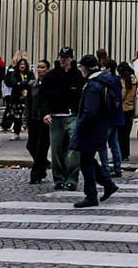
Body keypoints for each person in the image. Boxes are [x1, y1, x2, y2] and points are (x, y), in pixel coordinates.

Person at [70, 54, 119, 208]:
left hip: (90, 128)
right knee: (88, 159)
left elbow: (90, 111)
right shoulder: (103, 81)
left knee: (85, 161)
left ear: (86, 68)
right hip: (100, 126)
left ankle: (91, 194)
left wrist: (80, 126)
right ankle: (107, 184)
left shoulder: (93, 85)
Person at [41, 46, 85, 190]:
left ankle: (72, 178)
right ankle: (59, 178)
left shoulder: (78, 75)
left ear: (71, 59)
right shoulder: (51, 76)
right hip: (55, 116)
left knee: (75, 148)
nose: (63, 60)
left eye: (65, 58)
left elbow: (82, 97)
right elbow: (43, 96)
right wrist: (45, 112)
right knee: (56, 150)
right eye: (61, 57)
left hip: (72, 115)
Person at [25, 60, 51, 184]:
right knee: (31, 145)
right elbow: (28, 103)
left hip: (45, 120)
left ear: (48, 69)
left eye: (43, 67)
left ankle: (36, 174)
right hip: (34, 119)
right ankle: (43, 165)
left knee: (42, 147)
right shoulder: (32, 84)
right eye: (38, 67)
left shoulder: (51, 85)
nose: (40, 70)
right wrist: (26, 119)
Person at [2, 57, 33, 140]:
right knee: (17, 116)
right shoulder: (14, 74)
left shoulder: (30, 73)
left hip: (28, 98)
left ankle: (31, 133)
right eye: (21, 64)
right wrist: (24, 84)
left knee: (28, 115)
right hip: (17, 98)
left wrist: (20, 84)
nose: (22, 66)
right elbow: (13, 83)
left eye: (24, 64)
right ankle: (16, 132)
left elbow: (32, 82)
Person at [115, 58, 136, 162]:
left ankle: (121, 154)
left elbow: (122, 95)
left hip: (123, 108)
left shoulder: (124, 80)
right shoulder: (134, 79)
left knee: (120, 134)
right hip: (131, 107)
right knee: (126, 133)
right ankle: (126, 154)